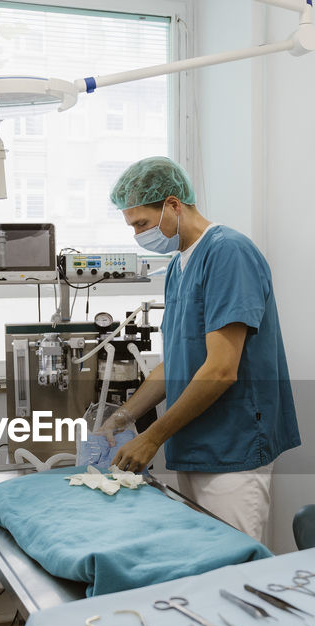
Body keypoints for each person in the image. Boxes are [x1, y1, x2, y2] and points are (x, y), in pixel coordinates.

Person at [103, 156, 301, 542]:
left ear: (174, 204)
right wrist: (123, 418)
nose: (139, 235)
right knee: (202, 566)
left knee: (233, 570)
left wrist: (153, 437)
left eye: (142, 223)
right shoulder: (179, 267)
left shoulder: (229, 253)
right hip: (194, 444)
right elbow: (175, 363)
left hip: (231, 447)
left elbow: (221, 369)